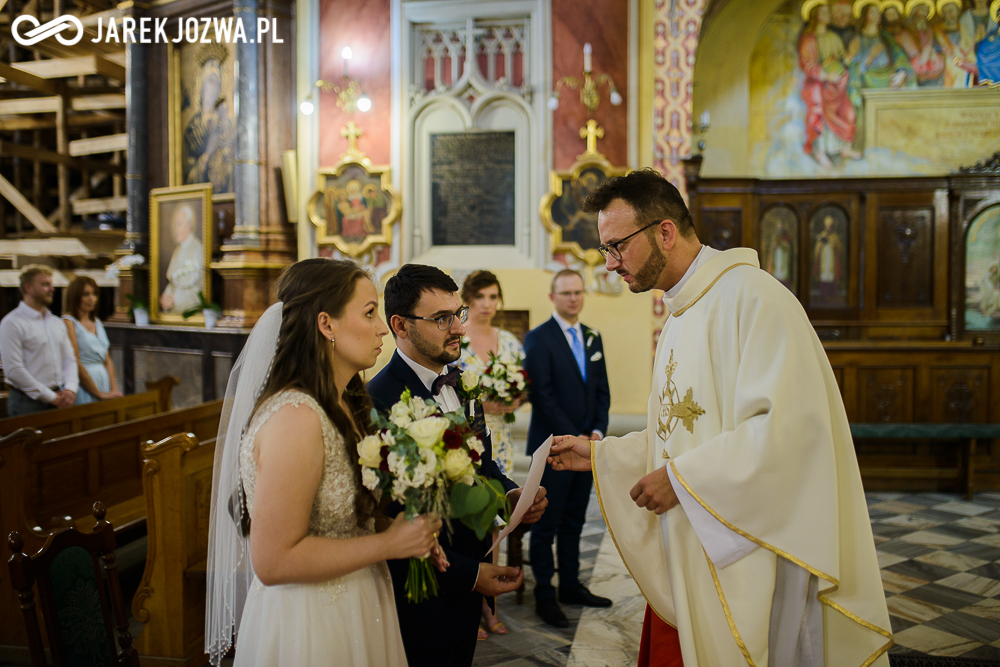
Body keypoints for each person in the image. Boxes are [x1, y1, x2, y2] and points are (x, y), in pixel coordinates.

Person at [548, 169, 891, 666]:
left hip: (753, 551)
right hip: (696, 547)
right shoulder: (682, 314)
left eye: (617, 246)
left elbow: (788, 433)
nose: (610, 264)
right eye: (606, 250)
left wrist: (683, 481)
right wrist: (603, 455)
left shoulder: (754, 299)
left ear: (664, 231)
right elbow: (683, 436)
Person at [204, 258, 445, 666]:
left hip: (359, 603)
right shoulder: (295, 419)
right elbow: (273, 561)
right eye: (369, 313)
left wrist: (405, 532)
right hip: (310, 621)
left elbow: (342, 519)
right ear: (326, 325)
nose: (381, 327)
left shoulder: (347, 403)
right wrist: (387, 544)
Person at [367, 263, 548, 667]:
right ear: (400, 325)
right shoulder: (378, 401)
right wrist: (469, 574)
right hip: (419, 595)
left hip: (468, 587)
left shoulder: (462, 383)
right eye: (441, 319)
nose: (459, 329)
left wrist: (511, 497)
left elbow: (482, 469)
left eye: (458, 314)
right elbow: (391, 519)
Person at [524, 268, 611, 628]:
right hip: (554, 448)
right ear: (552, 297)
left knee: (574, 519)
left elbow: (602, 390)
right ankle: (544, 593)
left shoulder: (593, 337)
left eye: (577, 292)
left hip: (586, 449)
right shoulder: (538, 338)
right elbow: (540, 395)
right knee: (547, 522)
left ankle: (571, 585)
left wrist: (595, 432)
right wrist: (572, 438)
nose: (573, 298)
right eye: (566, 293)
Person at [457, 270, 524, 640]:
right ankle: (474, 601)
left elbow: (520, 389)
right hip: (467, 439)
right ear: (468, 300)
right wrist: (484, 400)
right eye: (480, 296)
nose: (487, 304)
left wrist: (513, 398)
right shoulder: (456, 340)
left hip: (502, 439)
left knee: (498, 521)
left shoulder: (510, 342)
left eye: (493, 296)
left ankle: (490, 605)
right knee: (473, 520)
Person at [0, 265, 78, 417]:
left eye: (51, 284)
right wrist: (51, 397)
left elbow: (70, 359)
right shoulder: (12, 322)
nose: (52, 289)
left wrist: (70, 388)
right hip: (27, 402)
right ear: (28, 287)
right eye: (45, 284)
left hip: (59, 396)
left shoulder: (56, 322)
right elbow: (14, 370)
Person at [798, 1, 859, 167]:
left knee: (849, 112)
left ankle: (844, 148)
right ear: (814, 16)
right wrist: (825, 75)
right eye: (823, 13)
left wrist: (851, 55)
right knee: (820, 115)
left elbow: (842, 59)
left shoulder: (833, 37)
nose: (828, 16)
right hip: (818, 85)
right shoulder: (809, 39)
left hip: (837, 85)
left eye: (828, 13)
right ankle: (820, 152)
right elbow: (807, 64)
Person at [62, 276, 122, 405]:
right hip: (84, 384)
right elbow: (75, 361)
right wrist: (98, 393)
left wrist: (114, 389)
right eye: (86, 294)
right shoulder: (69, 322)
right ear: (75, 296)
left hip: (103, 380)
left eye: (94, 293)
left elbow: (107, 359)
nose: (92, 299)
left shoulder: (97, 322)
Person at [159, 204, 204, 315]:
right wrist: (166, 297)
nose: (175, 230)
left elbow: (198, 289)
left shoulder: (197, 248)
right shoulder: (177, 250)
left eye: (178, 225)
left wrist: (175, 299)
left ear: (188, 226)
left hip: (190, 313)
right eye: (175, 225)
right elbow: (173, 282)